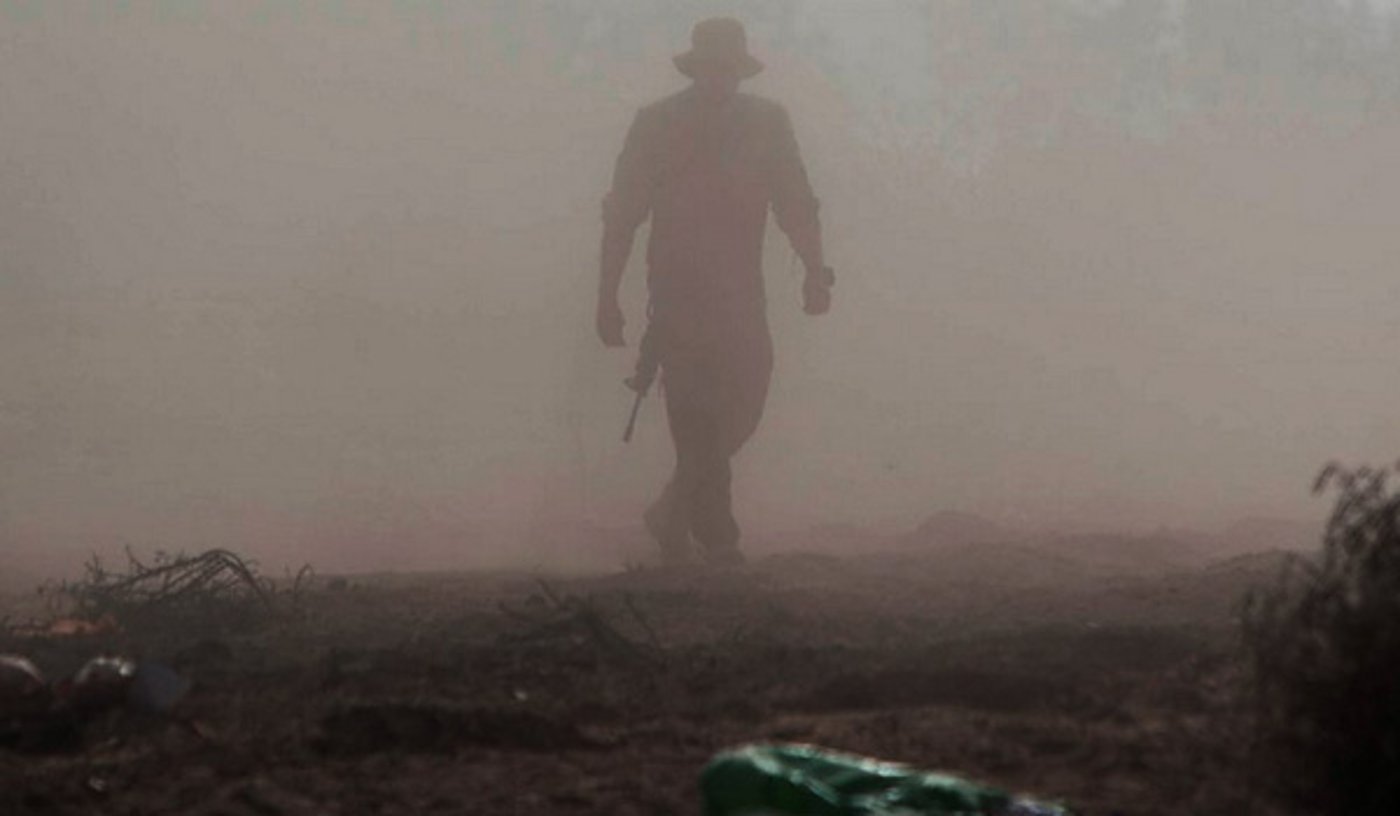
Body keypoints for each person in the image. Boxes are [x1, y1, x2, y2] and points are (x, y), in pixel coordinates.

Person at [597, 17, 832, 566]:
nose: (720, 77)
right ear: (696, 69)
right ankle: (717, 533)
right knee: (695, 408)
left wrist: (815, 269)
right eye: (712, 67)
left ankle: (674, 507)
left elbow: (796, 202)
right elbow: (622, 215)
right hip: (677, 288)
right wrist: (606, 297)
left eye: (728, 68)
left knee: (748, 397)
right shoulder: (656, 124)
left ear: (740, 71)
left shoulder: (767, 123)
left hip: (741, 288)